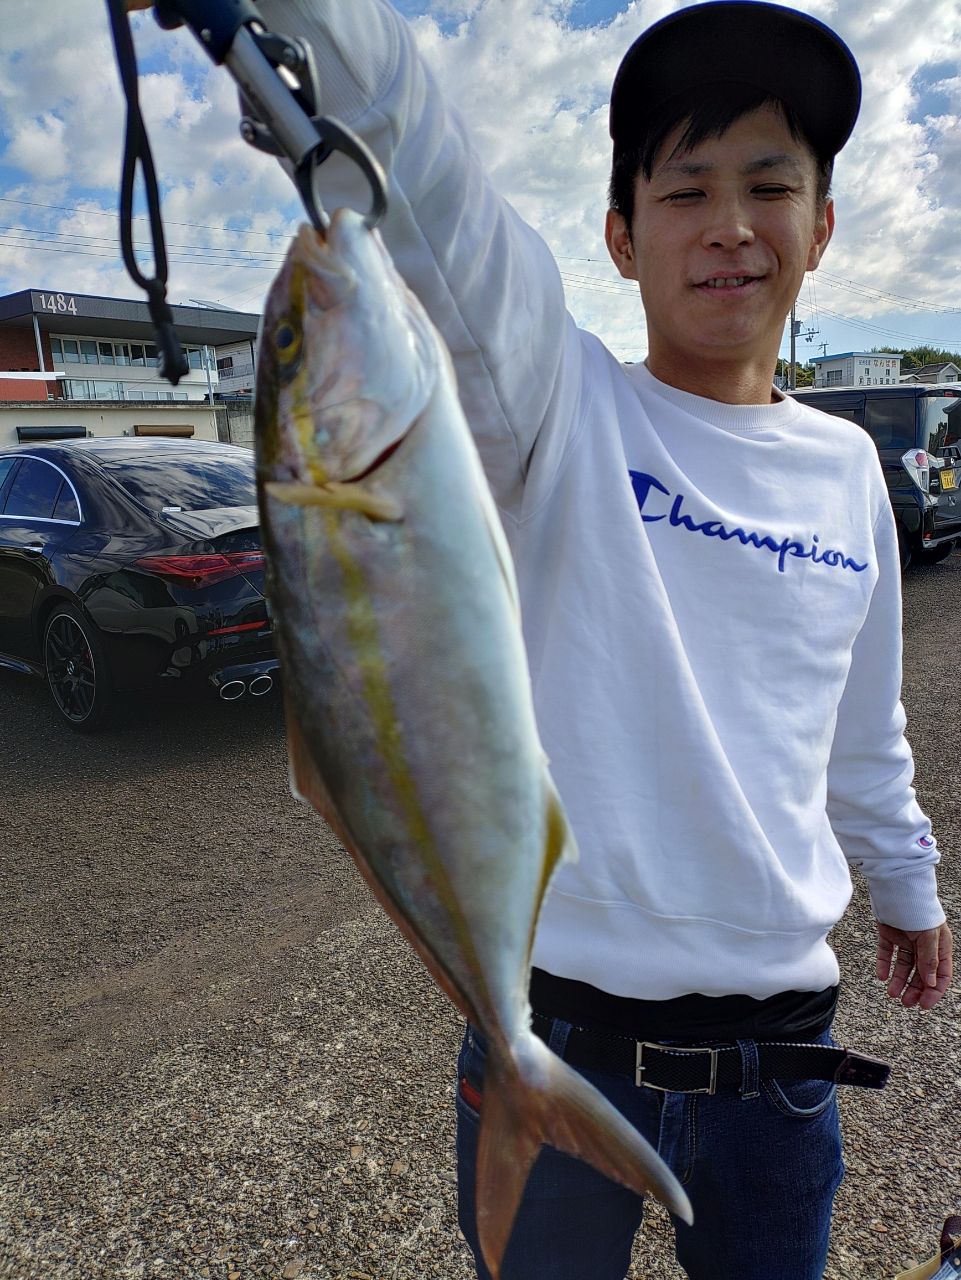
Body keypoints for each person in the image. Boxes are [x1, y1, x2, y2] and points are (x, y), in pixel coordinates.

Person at [185, 1, 952, 1275]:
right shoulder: (555, 403)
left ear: (821, 228)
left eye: (769, 184)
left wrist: (910, 885)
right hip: (553, 1025)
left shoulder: (848, 469)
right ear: (618, 232)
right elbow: (424, 174)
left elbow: (860, 727)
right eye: (683, 186)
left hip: (780, 1065)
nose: (727, 224)